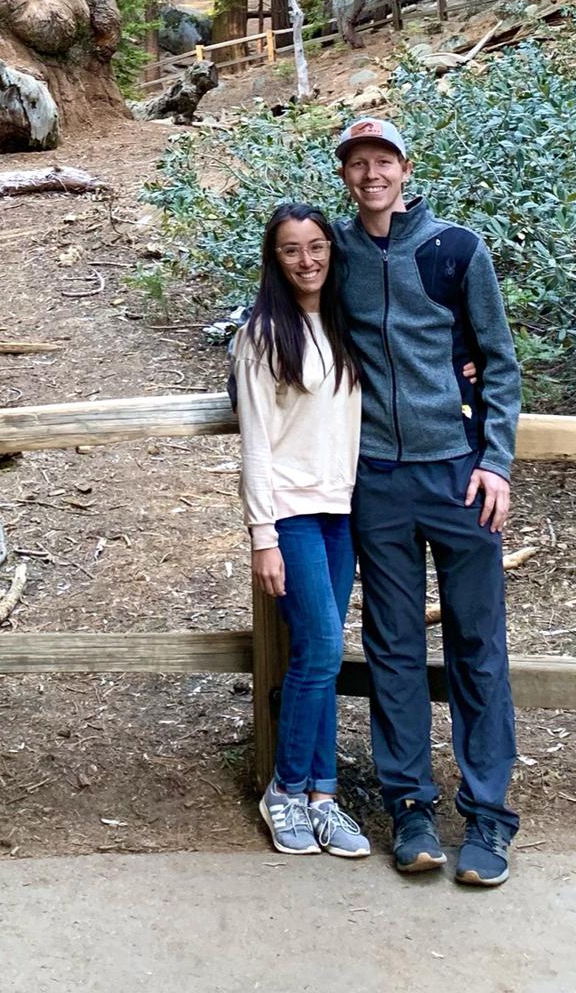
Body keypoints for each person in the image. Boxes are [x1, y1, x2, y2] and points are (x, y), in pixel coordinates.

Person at [333, 117, 522, 888]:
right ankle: (409, 805)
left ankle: (487, 817)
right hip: (376, 477)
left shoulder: (457, 249)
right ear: (345, 175)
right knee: (394, 647)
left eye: (383, 161)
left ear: (406, 169)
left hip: (459, 477)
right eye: (357, 162)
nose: (371, 174)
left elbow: (501, 362)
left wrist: (498, 464)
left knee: (478, 644)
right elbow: (289, 324)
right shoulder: (333, 250)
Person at [232, 203, 370, 859]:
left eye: (316, 247)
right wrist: (262, 533)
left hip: (341, 512)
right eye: (292, 250)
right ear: (275, 258)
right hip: (289, 514)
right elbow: (256, 443)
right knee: (317, 646)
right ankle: (285, 789)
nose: (307, 260)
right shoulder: (262, 334)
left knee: (321, 652)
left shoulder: (345, 325)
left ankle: (322, 796)